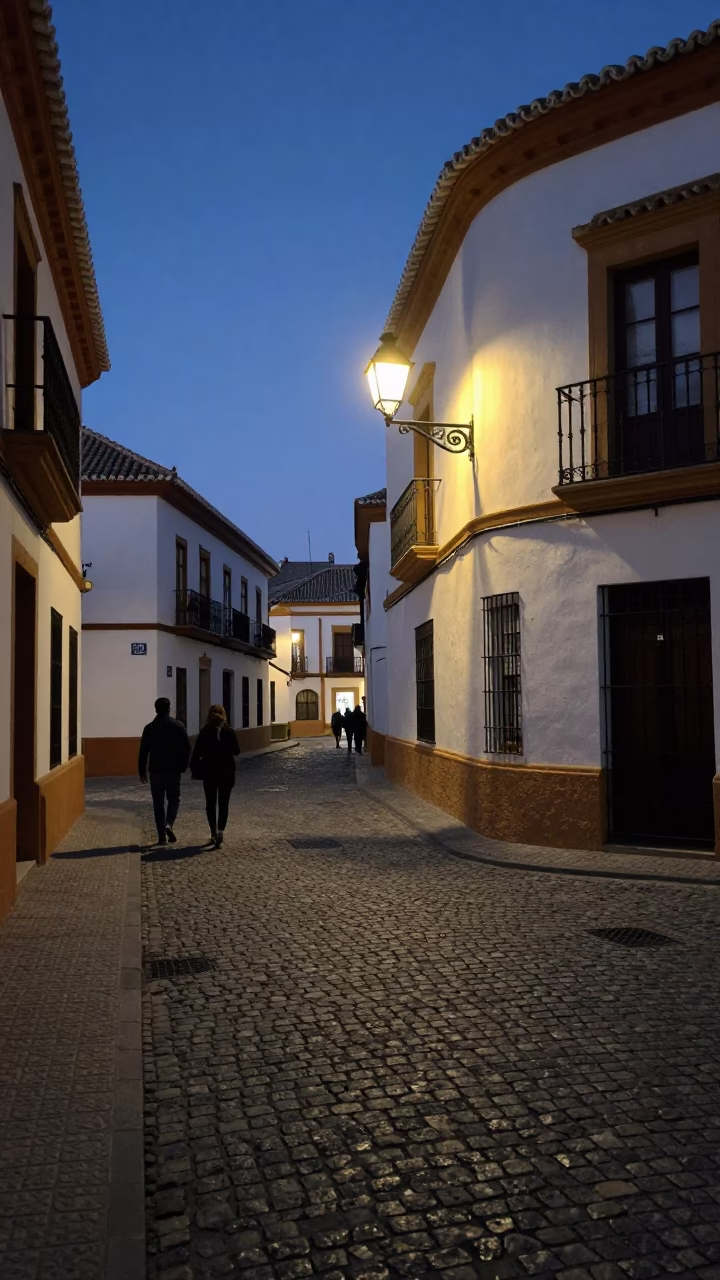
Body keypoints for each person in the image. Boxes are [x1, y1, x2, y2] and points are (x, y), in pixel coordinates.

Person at [139, 697, 191, 845]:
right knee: (174, 799)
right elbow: (186, 748)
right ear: (169, 709)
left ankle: (161, 836)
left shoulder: (149, 728)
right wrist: (184, 765)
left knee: (158, 803)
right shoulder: (179, 726)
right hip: (173, 770)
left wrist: (142, 770)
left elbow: (143, 751)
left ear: (156, 709)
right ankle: (169, 823)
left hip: (156, 770)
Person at [189, 704, 241, 848]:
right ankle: (220, 831)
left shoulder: (205, 732)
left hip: (210, 772)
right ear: (224, 715)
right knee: (224, 803)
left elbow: (197, 753)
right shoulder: (230, 731)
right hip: (227, 773)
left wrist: (193, 768)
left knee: (210, 804)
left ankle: (212, 832)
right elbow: (237, 751)